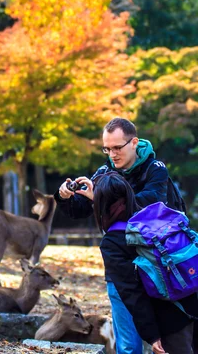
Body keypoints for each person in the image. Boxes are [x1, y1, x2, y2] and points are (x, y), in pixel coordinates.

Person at [54, 117, 186, 354]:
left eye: (117, 147)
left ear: (134, 142)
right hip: (121, 261)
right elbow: (82, 210)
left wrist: (103, 200)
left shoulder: (155, 170)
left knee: (174, 342)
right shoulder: (105, 171)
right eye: (107, 148)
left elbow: (150, 206)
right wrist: (65, 197)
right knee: (127, 345)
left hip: (160, 262)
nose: (112, 154)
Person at [94, 171, 198, 354]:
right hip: (192, 302)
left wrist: (152, 334)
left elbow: (132, 292)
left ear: (101, 205)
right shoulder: (152, 221)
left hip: (170, 321)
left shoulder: (112, 242)